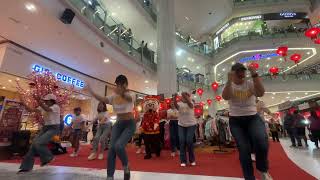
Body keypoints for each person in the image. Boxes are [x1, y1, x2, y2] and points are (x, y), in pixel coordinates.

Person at [222, 63, 272, 180]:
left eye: (243, 71)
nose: (241, 74)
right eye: (238, 71)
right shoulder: (230, 85)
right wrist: (229, 81)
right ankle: (249, 177)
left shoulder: (249, 83)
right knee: (244, 149)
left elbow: (260, 93)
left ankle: (262, 169)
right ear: (233, 73)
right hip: (236, 121)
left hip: (252, 117)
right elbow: (226, 96)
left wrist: (254, 74)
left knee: (262, 141)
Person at [87, 75, 135, 180]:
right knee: (111, 150)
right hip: (118, 124)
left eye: (120, 85)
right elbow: (102, 99)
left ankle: (126, 165)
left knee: (119, 146)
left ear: (125, 85)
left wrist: (120, 92)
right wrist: (91, 91)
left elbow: (128, 98)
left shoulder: (131, 94)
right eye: (117, 85)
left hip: (129, 124)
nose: (117, 87)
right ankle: (109, 176)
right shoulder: (113, 96)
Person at [18, 94, 60, 173]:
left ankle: (48, 158)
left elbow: (47, 109)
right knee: (33, 144)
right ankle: (26, 167)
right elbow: (31, 110)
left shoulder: (56, 107)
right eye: (45, 101)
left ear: (52, 101)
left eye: (46, 101)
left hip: (54, 128)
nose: (45, 102)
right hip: (45, 127)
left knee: (39, 143)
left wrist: (38, 100)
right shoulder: (42, 106)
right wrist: (23, 103)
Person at [174, 92, 197, 167]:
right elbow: (176, 106)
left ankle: (192, 160)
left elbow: (190, 105)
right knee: (182, 141)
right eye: (182, 97)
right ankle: (183, 160)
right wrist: (174, 97)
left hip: (191, 125)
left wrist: (186, 96)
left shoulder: (192, 102)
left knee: (189, 141)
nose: (183, 98)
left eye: (185, 96)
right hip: (181, 125)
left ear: (188, 97)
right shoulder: (179, 103)